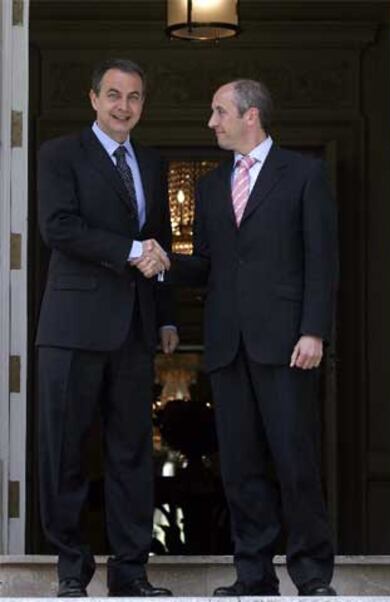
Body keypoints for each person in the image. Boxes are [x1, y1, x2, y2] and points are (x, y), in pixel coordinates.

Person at [169, 79, 338, 596]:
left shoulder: (305, 174)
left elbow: (321, 259)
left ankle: (311, 576)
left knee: (295, 460)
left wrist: (313, 330)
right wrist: (162, 263)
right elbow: (208, 266)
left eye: (219, 112)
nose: (211, 122)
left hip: (287, 342)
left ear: (251, 116)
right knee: (240, 468)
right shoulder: (210, 186)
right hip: (227, 345)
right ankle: (254, 576)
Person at [35, 58, 178, 598]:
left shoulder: (151, 159)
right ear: (93, 98)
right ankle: (72, 570)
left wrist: (165, 314)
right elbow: (59, 227)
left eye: (135, 97)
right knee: (66, 451)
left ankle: (131, 572)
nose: (124, 106)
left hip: (134, 330)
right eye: (114, 95)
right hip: (72, 328)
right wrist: (129, 250)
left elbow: (159, 239)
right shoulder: (59, 155)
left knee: (132, 454)